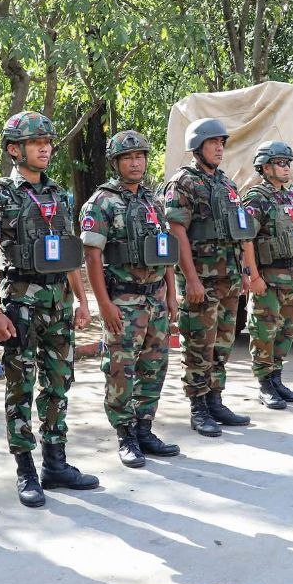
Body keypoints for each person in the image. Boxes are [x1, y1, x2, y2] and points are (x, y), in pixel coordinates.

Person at [0, 112, 95, 508]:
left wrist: (82, 300)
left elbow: (69, 252)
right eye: (36, 142)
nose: (45, 149)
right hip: (21, 304)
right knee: (21, 386)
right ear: (14, 149)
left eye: (48, 142)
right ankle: (25, 468)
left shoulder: (59, 195)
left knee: (59, 383)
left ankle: (55, 463)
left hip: (59, 302)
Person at [79, 130, 180, 468]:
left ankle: (145, 429)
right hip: (122, 301)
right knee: (120, 370)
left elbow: (165, 250)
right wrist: (104, 305)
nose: (135, 163)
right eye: (127, 158)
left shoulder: (153, 201)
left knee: (155, 366)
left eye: (140, 156)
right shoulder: (102, 202)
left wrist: (171, 294)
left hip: (156, 300)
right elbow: (92, 256)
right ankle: (125, 434)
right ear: (115, 163)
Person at [162, 118, 254, 437]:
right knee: (199, 346)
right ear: (197, 146)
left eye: (221, 143)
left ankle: (215, 400)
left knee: (223, 345)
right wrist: (191, 279)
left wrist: (244, 271)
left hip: (229, 280)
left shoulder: (226, 184)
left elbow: (238, 231)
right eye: (213, 142)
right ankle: (198, 407)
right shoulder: (183, 183)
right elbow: (177, 233)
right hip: (201, 280)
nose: (219, 148)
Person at [241, 141, 293, 409]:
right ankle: (264, 384)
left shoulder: (288, 197)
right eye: (280, 163)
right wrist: (253, 277)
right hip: (268, 278)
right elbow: (246, 239)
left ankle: (277, 379)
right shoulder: (256, 198)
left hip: (290, 276)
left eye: (287, 163)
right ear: (265, 167)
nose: (286, 168)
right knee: (264, 331)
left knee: (285, 331)